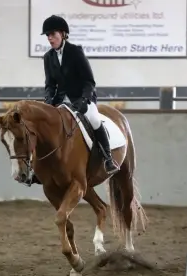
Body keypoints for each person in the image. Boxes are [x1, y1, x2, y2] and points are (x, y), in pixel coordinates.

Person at [40, 15, 120, 175]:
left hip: (81, 98)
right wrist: (48, 101)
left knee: (95, 120)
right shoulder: (48, 57)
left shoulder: (75, 52)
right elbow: (50, 84)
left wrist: (84, 99)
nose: (50, 38)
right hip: (60, 100)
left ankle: (108, 158)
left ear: (63, 34)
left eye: (52, 34)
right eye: (47, 35)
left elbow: (89, 81)